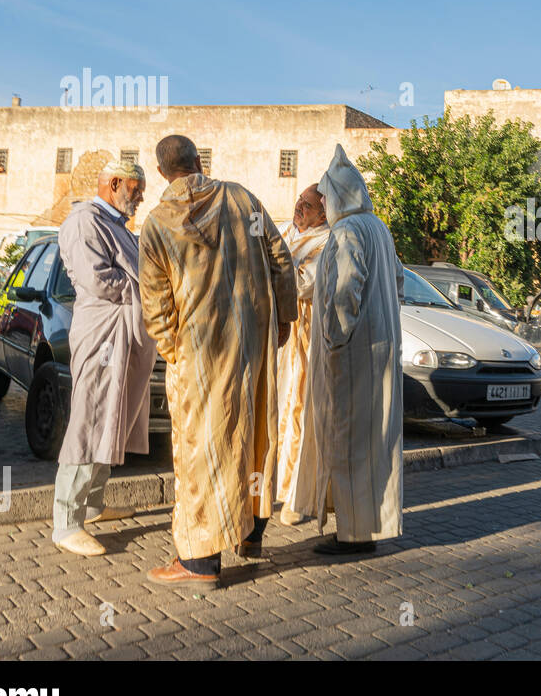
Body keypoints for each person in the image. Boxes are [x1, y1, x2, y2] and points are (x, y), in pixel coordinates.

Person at [139, 135, 297, 586]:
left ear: (162, 172)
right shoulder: (242, 200)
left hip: (200, 352)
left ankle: (199, 561)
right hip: (250, 343)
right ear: (198, 162)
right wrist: (282, 320)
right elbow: (280, 259)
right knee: (252, 432)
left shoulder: (157, 224)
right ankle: (250, 534)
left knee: (201, 450)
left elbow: (155, 304)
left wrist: (175, 351)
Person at [51, 162, 156, 557]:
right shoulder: (84, 221)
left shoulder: (116, 227)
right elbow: (99, 280)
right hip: (102, 334)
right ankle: (66, 522)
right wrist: (148, 287)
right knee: (91, 419)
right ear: (114, 184)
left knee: (112, 418)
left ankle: (92, 504)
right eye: (136, 187)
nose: (142, 196)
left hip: (124, 333)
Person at [307, 143, 404, 556]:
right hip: (380, 346)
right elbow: (397, 282)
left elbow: (347, 288)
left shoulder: (348, 231)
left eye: (326, 196)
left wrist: (334, 337)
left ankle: (352, 534)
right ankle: (367, 524)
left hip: (354, 351)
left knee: (348, 437)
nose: (323, 203)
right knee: (374, 440)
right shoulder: (378, 227)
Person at [274, 184, 330, 526]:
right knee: (274, 409)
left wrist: (272, 266)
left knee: (297, 411)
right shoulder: (284, 229)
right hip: (276, 336)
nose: (299, 208)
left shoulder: (326, 242)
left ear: (323, 214)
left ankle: (296, 496)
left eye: (307, 205)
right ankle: (271, 486)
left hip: (303, 338)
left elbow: (304, 284)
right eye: (299, 201)